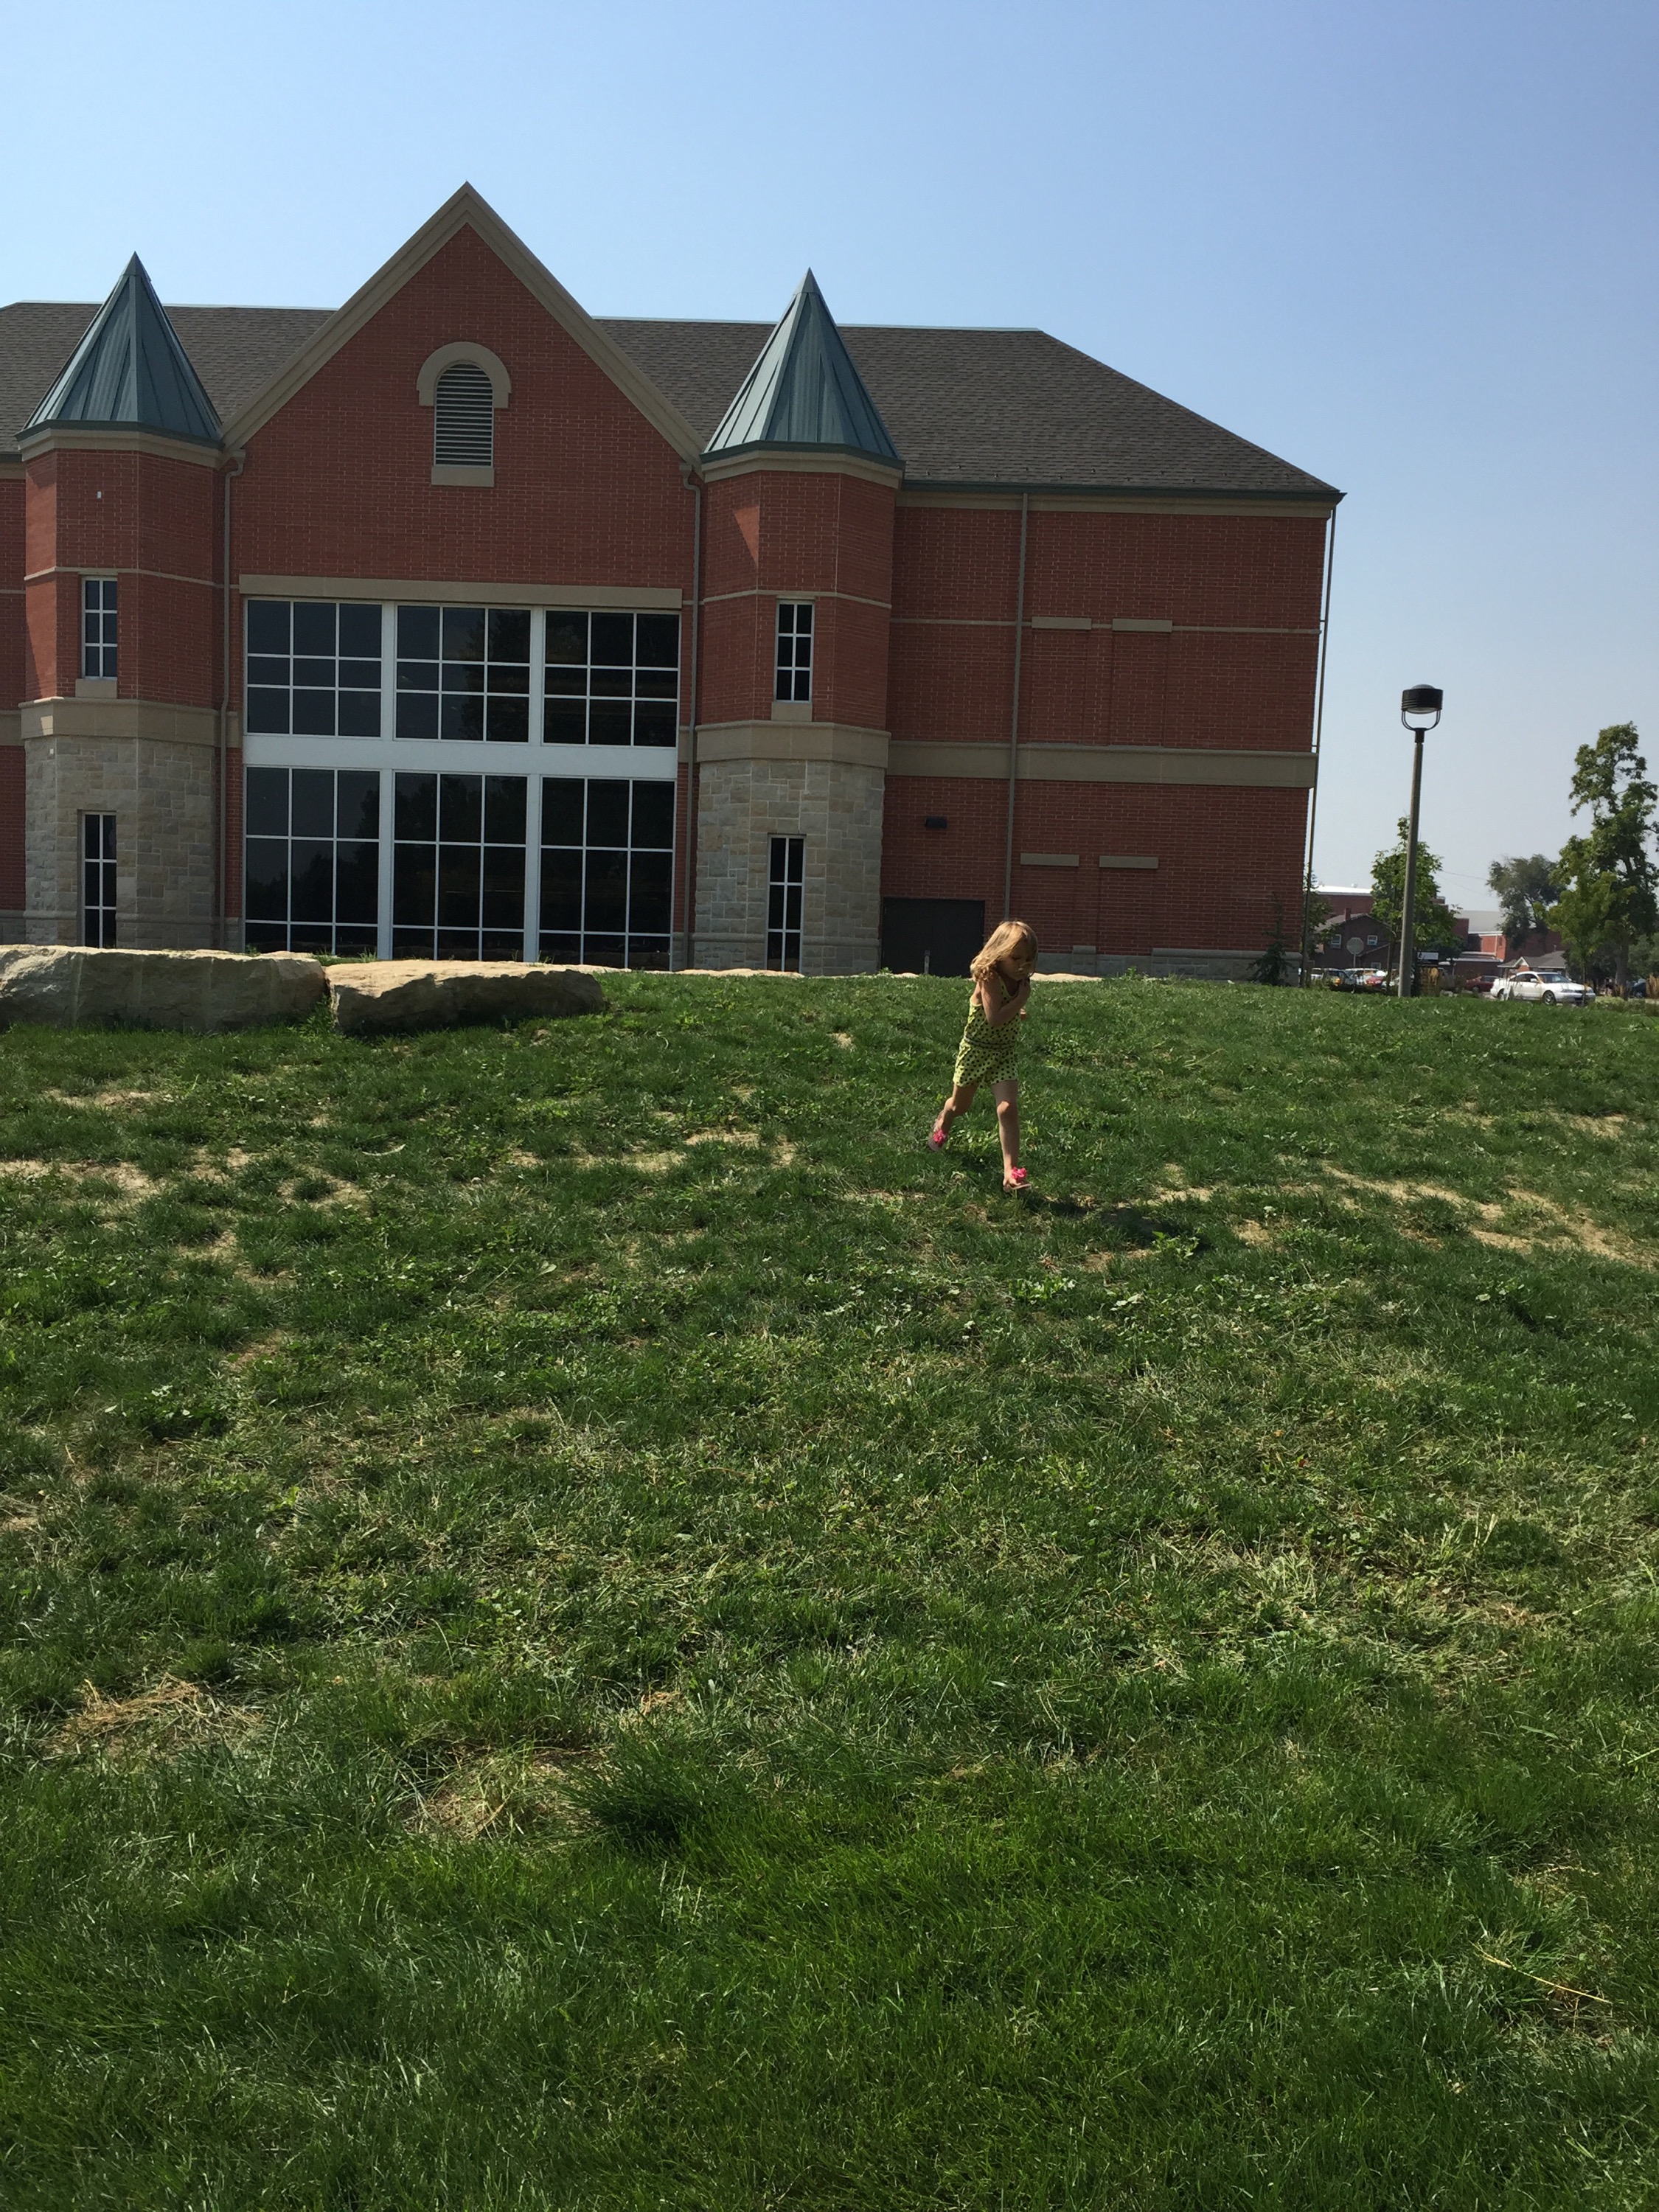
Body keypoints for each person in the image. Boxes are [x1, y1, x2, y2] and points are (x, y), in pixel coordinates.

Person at [928, 919, 1037, 1190]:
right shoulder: (990, 977)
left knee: (1008, 1108)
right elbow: (994, 1018)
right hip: (975, 1052)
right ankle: (944, 1120)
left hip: (1003, 1054)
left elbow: (1006, 1011)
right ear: (999, 954)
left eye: (1028, 959)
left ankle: (1010, 1173)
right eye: (1016, 958)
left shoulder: (1020, 981)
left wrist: (1018, 1009)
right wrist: (1019, 1002)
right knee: (960, 1106)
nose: (1022, 965)